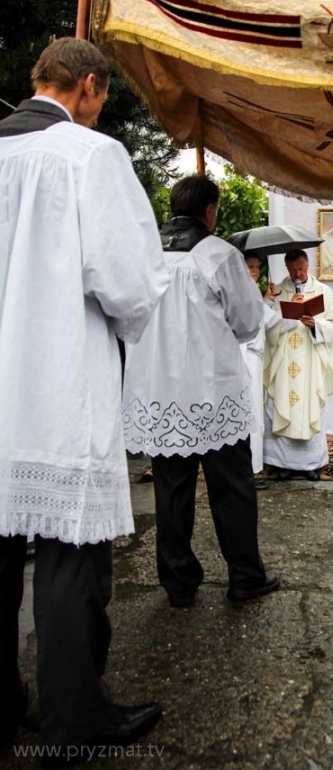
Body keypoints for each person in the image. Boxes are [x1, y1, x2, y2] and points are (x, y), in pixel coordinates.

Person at [0, 38, 170, 766]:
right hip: (53, 383)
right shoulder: (88, 156)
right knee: (69, 557)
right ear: (91, 86)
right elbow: (128, 282)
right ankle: (73, 720)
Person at [121, 175, 280, 607]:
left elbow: (126, 318)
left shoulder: (144, 254)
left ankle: (178, 584)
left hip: (160, 394)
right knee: (232, 489)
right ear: (209, 211)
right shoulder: (219, 255)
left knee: (171, 491)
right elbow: (248, 322)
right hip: (212, 393)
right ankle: (245, 576)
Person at [263, 249, 333, 480]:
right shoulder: (278, 291)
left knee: (311, 408)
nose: (297, 274)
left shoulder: (322, 291)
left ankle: (311, 464)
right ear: (287, 268)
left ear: (308, 265)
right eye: (292, 269)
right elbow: (268, 327)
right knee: (282, 405)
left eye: (300, 268)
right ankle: (283, 464)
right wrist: (288, 315)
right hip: (285, 358)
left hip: (310, 357)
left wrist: (315, 324)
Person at [239, 252, 279, 490]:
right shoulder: (240, 293)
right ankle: (248, 472)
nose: (256, 271)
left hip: (254, 358)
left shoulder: (251, 292)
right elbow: (238, 329)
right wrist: (239, 358)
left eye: (257, 267)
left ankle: (253, 468)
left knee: (256, 414)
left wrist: (267, 300)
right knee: (250, 413)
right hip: (246, 357)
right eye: (251, 266)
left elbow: (262, 322)